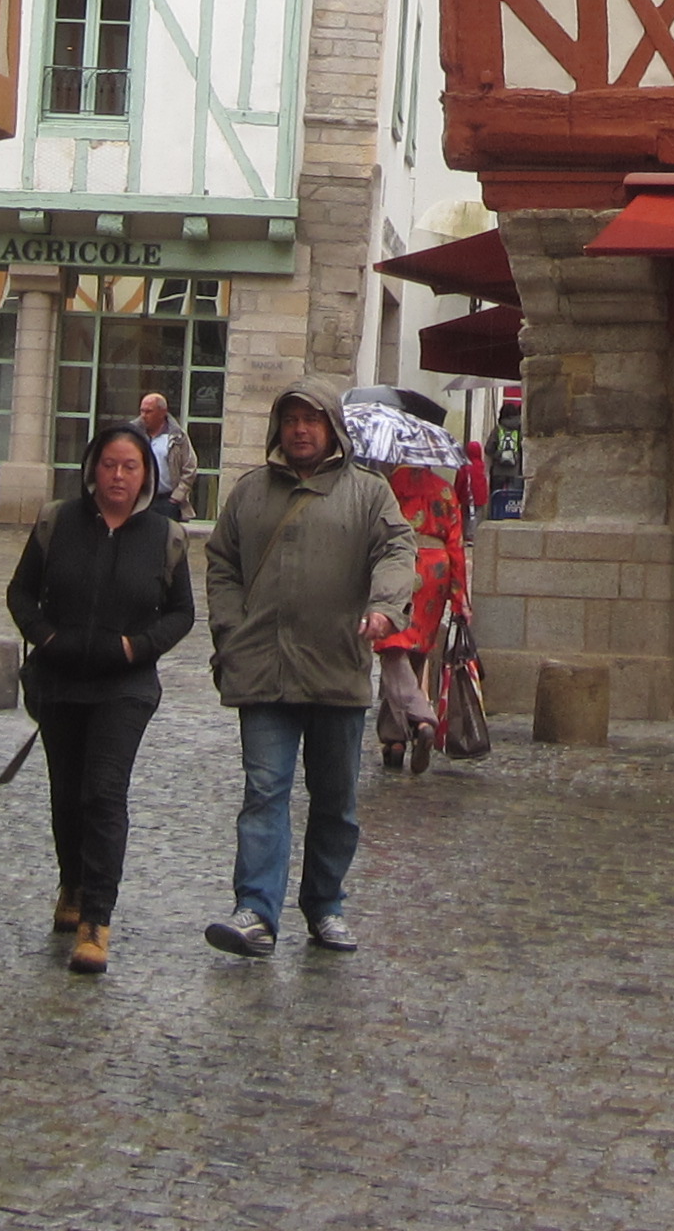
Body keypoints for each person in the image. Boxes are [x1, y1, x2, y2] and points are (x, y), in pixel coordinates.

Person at [198, 378, 412, 960]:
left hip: (336, 667)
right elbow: (222, 564)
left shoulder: (368, 493)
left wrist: (384, 607)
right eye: (291, 420)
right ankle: (255, 911)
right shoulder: (250, 493)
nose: (300, 430)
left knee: (335, 800)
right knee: (264, 791)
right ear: (278, 427)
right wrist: (230, 631)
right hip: (262, 670)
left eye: (311, 420)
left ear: (331, 428)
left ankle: (325, 905)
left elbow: (397, 550)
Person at [3, 421, 194, 976]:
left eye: (130, 467)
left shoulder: (164, 536)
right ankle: (73, 882)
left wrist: (137, 647)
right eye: (109, 464)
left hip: (124, 687)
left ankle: (97, 919)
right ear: (93, 468)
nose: (118, 476)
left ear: (146, 476)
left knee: (104, 794)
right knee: (67, 794)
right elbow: (20, 592)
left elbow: (181, 613)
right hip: (61, 679)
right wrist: (47, 638)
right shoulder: (57, 522)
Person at [370, 445, 470, 778]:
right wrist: (459, 597)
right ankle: (394, 740)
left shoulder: (388, 487)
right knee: (414, 650)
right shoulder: (444, 490)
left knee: (391, 649)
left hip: (399, 566)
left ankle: (421, 717)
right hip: (436, 571)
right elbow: (456, 544)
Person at [132, 390, 196, 519]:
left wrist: (177, 497)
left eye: (149, 411)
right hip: (139, 500)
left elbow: (190, 467)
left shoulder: (177, 437)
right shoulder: (132, 434)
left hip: (166, 502)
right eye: (142, 411)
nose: (143, 416)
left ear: (162, 412)